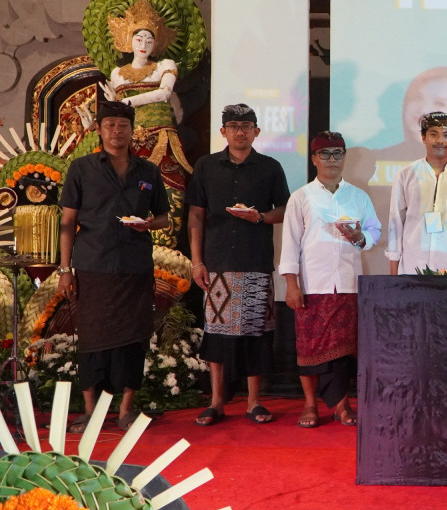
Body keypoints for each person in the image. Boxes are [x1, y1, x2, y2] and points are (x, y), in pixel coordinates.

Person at [57, 99, 170, 433]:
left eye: (123, 126)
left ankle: (125, 410)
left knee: (133, 338)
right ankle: (90, 411)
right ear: (99, 129)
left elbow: (163, 217)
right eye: (110, 125)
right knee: (92, 338)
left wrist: (148, 225)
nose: (117, 131)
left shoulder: (148, 171)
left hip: (134, 267)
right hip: (93, 265)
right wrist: (65, 270)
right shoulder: (82, 168)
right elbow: (68, 221)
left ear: (132, 130)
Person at [187, 104, 290, 426]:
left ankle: (254, 402)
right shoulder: (206, 166)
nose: (240, 132)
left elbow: (285, 210)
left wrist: (260, 217)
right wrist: (197, 262)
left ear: (257, 131)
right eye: (233, 126)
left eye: (246, 126)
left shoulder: (270, 167)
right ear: (223, 132)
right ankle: (216, 402)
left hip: (255, 261)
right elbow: (195, 216)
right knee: (216, 334)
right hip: (217, 262)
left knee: (257, 333)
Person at [280, 132, 381, 428]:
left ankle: (341, 405)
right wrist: (291, 285)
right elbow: (290, 244)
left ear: (344, 157)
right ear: (314, 159)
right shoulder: (301, 197)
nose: (332, 160)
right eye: (325, 154)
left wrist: (361, 237)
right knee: (309, 348)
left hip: (348, 284)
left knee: (344, 350)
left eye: (337, 153)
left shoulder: (358, 196)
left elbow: (375, 231)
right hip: (313, 285)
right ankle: (310, 404)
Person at [101, 0, 192, 245]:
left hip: (161, 139)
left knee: (170, 189)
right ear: (128, 40)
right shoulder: (118, 74)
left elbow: (164, 94)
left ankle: (165, 251)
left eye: (150, 40)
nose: (144, 45)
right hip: (127, 143)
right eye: (139, 39)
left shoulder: (165, 65)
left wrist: (126, 102)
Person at [387, 111, 447, 274]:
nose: (440, 141)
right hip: (413, 267)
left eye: (446, 135)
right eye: (434, 134)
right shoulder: (406, 175)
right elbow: (395, 224)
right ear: (423, 138)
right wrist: (394, 275)